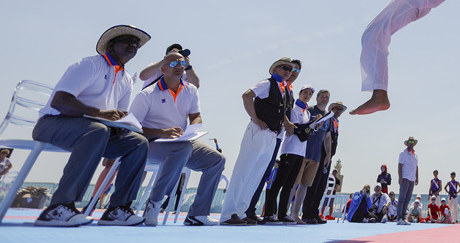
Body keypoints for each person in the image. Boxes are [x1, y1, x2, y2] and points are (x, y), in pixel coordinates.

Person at [32, 25, 151, 226]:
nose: (133, 46)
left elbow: (120, 115)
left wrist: (122, 126)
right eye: (127, 41)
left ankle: (117, 209)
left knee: (138, 142)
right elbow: (60, 101)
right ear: (111, 45)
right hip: (52, 124)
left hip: (94, 131)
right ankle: (59, 207)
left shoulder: (126, 79)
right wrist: (98, 113)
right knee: (97, 130)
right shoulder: (89, 65)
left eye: (136, 44)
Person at [129, 50, 227, 226]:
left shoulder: (191, 90)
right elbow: (132, 128)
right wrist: (161, 132)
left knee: (217, 160)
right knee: (182, 149)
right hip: (150, 144)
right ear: (163, 69)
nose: (179, 67)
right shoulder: (147, 94)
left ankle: (197, 214)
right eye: (174, 64)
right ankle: (154, 203)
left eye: (182, 63)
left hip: (181, 142)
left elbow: (196, 115)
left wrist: (193, 127)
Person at [219, 58, 297, 225]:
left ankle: (241, 211)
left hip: (272, 135)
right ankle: (228, 213)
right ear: (275, 69)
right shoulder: (267, 83)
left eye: (290, 69)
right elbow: (247, 95)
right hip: (258, 131)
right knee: (243, 171)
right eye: (284, 67)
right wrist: (255, 118)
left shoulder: (283, 89)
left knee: (256, 175)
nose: (288, 71)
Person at [246, 58, 300, 223]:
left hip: (277, 136)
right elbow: (249, 96)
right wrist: (286, 122)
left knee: (264, 173)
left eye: (296, 70)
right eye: (288, 68)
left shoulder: (288, 90)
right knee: (254, 170)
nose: (292, 72)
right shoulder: (272, 85)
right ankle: (245, 209)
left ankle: (250, 209)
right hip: (266, 132)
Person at [262, 85, 319, 224]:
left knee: (289, 184)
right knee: (279, 182)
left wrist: (314, 125)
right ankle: (269, 213)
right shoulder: (294, 109)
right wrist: (311, 123)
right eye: (305, 92)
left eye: (310, 94)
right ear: (299, 93)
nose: (307, 95)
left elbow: (305, 133)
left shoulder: (307, 112)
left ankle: (282, 213)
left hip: (300, 152)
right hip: (290, 150)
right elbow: (296, 129)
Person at [302, 99, 346, 224]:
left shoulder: (336, 123)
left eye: (340, 109)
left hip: (328, 157)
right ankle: (307, 212)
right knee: (314, 184)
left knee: (321, 186)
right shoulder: (327, 119)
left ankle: (314, 212)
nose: (338, 111)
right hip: (320, 154)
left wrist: (329, 155)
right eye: (336, 108)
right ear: (331, 109)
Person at [292, 89, 329, 223]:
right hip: (302, 152)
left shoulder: (328, 116)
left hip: (316, 156)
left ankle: (295, 214)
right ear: (317, 98)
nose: (324, 99)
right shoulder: (310, 110)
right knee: (294, 183)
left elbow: (327, 136)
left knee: (304, 186)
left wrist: (328, 154)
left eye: (327, 97)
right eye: (322, 96)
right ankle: (284, 213)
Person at [396, 136, 419, 224]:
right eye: (410, 142)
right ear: (407, 143)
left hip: (412, 179)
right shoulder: (403, 153)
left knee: (407, 199)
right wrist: (400, 177)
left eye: (413, 142)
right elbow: (400, 165)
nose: (411, 143)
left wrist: (417, 177)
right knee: (402, 198)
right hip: (405, 178)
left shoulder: (415, 155)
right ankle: (399, 218)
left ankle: (403, 217)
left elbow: (416, 167)